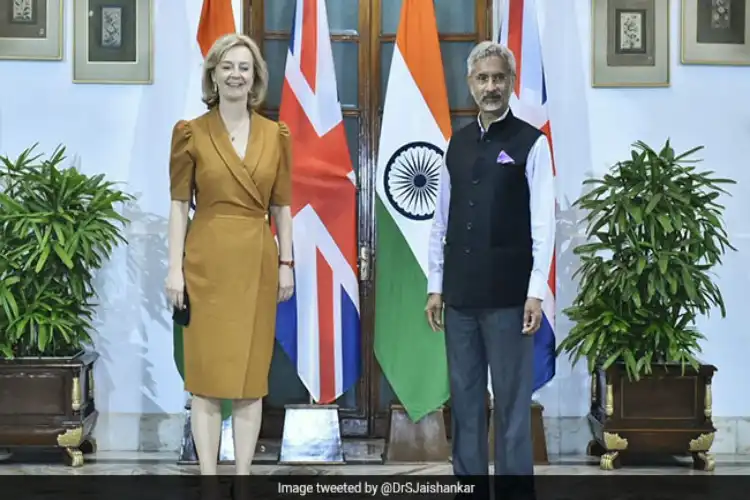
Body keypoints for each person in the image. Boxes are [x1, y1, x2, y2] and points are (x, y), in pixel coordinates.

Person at [425, 41, 554, 495]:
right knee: (465, 403)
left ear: (511, 83)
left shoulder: (531, 143)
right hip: (460, 299)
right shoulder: (454, 145)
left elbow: (544, 225)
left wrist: (535, 292)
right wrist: (435, 285)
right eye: (483, 78)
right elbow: (441, 219)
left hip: (510, 300)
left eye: (499, 77)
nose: (491, 86)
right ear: (470, 84)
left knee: (513, 407)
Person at [165, 33, 294, 476]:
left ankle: (241, 476)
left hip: (256, 262)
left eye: (244, 67)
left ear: (255, 77)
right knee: (205, 380)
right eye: (227, 67)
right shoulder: (189, 133)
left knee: (249, 379)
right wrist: (174, 270)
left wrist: (287, 264)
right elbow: (180, 205)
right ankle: (208, 477)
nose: (236, 74)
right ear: (213, 75)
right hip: (205, 264)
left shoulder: (276, 135)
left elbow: (283, 207)